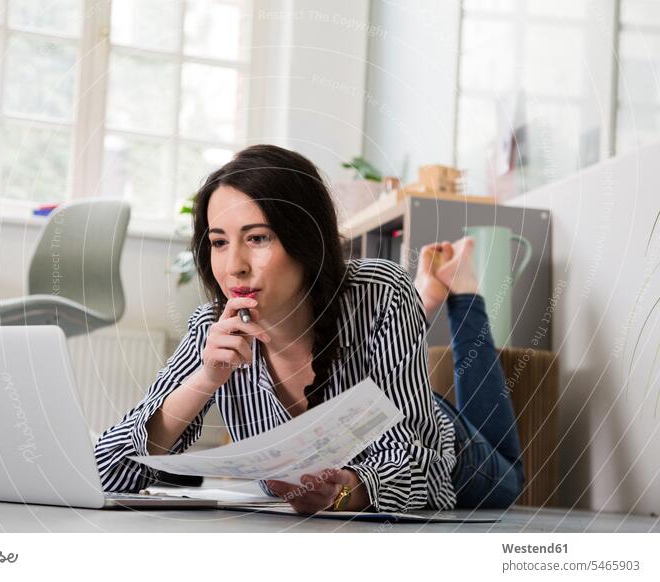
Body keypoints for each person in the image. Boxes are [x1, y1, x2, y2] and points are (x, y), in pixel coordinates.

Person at [94, 144, 520, 514]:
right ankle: (426, 296)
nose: (234, 265)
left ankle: (464, 292)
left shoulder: (380, 289)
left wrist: (350, 493)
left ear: (305, 240)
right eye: (219, 242)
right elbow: (106, 468)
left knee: (509, 480)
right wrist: (206, 379)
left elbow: (419, 461)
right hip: (383, 391)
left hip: (438, 441)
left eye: (258, 238)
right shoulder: (211, 327)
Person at [413, 237, 524, 509]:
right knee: (508, 475)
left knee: (507, 475)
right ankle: (429, 301)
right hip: (426, 435)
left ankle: (426, 301)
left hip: (426, 436)